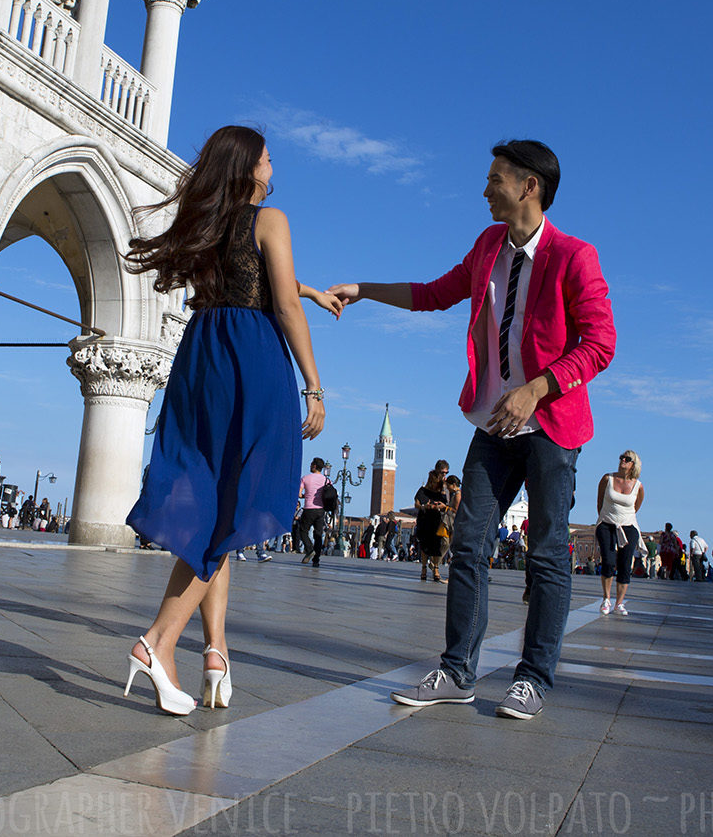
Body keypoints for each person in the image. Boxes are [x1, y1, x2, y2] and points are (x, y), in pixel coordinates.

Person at [335, 139, 617, 721]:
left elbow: (601, 344)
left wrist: (536, 388)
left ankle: (533, 678)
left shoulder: (573, 256)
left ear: (528, 187)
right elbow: (435, 294)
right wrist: (363, 290)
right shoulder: (489, 245)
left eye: (495, 179)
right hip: (492, 422)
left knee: (545, 554)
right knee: (468, 543)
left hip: (550, 428)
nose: (485, 189)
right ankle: (457, 670)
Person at [120, 124, 337, 716]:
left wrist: (310, 290)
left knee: (216, 500)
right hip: (252, 355)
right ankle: (158, 641)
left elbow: (265, 279)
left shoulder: (207, 223)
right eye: (268, 156)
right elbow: (279, 302)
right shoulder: (272, 220)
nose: (274, 163)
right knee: (228, 510)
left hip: (202, 357)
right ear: (248, 167)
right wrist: (314, 385)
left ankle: (215, 650)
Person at [595, 450, 643, 615]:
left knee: (624, 564)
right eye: (621, 457)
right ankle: (606, 599)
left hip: (629, 527)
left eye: (627, 458)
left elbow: (636, 506)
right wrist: (605, 518)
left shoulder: (638, 485)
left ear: (633, 464)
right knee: (608, 561)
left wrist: (624, 519)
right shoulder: (607, 479)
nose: (623, 460)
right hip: (606, 524)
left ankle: (619, 603)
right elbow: (599, 502)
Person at [414, 468, 453, 583]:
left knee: (437, 545)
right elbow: (416, 504)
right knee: (425, 545)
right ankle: (424, 568)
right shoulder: (422, 490)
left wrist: (438, 506)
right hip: (424, 520)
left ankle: (436, 568)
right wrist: (424, 507)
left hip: (436, 520)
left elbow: (446, 504)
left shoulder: (441, 492)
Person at [295, 458, 330, 566]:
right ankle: (316, 560)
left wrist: (306, 495)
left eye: (311, 464)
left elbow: (299, 494)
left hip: (309, 509)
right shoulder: (326, 480)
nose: (310, 466)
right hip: (321, 510)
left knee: (303, 531)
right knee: (318, 535)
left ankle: (310, 550)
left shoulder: (305, 478)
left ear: (314, 466)